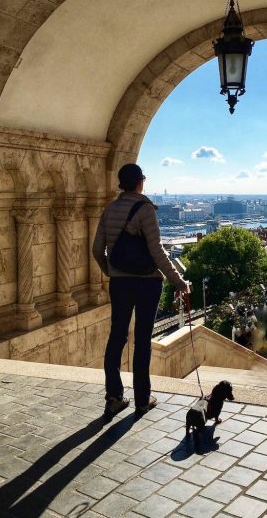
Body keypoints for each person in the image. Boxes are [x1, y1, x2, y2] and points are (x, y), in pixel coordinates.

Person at [93, 163, 190, 417]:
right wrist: (178, 281)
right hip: (147, 283)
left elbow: (96, 250)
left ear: (120, 184)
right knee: (142, 341)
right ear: (140, 182)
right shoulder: (146, 209)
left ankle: (114, 397)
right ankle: (142, 400)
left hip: (119, 282)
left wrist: (110, 271)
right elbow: (157, 252)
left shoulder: (110, 209)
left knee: (117, 337)